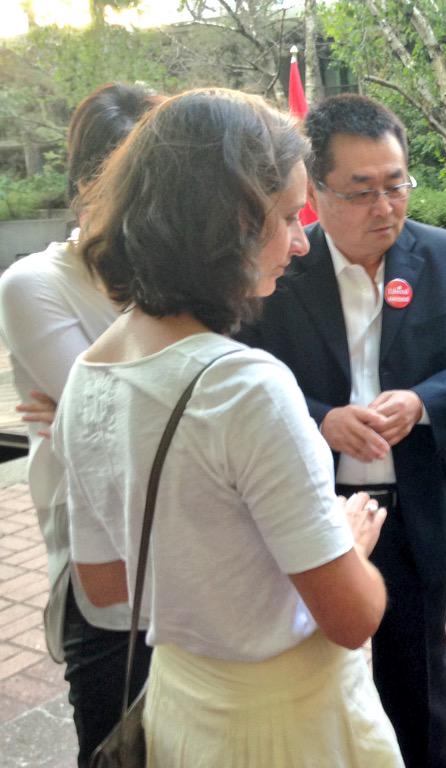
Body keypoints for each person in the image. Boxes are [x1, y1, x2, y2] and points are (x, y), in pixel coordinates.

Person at [51, 88, 403, 767]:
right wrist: (348, 541)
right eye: (288, 216)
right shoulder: (245, 387)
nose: (301, 242)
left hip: (182, 702)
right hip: (283, 721)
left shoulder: (88, 376)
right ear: (227, 222)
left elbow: (103, 585)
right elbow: (352, 617)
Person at [237, 93, 446, 768]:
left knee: (417, 684)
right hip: (311, 511)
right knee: (309, 678)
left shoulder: (443, 257)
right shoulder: (279, 269)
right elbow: (240, 377)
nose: (384, 207)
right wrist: (320, 419)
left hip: (415, 510)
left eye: (396, 185)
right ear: (315, 193)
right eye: (361, 192)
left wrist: (421, 403)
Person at [0, 82, 160, 766]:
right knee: (116, 743)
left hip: (197, 551)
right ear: (86, 183)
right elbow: (107, 428)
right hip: (104, 567)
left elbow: (108, 411)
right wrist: (89, 411)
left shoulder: (189, 277)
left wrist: (92, 406)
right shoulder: (35, 283)